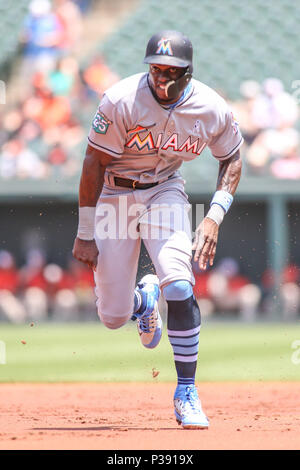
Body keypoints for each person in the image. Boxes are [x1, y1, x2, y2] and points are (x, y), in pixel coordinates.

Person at [72, 30, 243, 429]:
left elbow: (232, 155)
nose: (161, 78)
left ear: (188, 73)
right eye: (155, 69)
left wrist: (214, 215)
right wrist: (84, 231)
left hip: (165, 190)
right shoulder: (120, 99)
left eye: (172, 71)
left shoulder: (209, 107)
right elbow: (93, 164)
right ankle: (141, 303)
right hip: (115, 194)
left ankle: (186, 391)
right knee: (112, 316)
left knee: (180, 284)